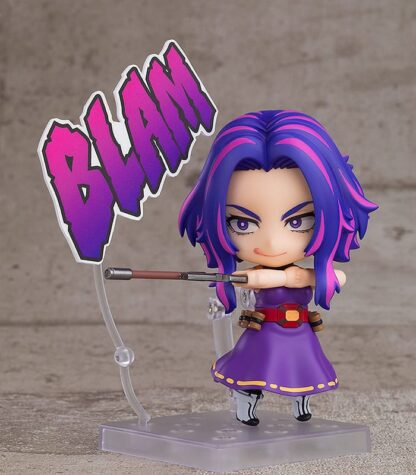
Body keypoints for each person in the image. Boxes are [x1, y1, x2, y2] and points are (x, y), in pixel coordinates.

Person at [179, 110, 377, 426]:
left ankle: (301, 406)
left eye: (298, 221)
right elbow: (246, 280)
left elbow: (338, 277)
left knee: (304, 374)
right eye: (241, 223)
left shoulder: (302, 275)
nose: (271, 242)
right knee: (250, 374)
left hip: (299, 332)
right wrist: (262, 278)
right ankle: (246, 407)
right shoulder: (252, 275)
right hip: (265, 332)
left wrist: (296, 276)